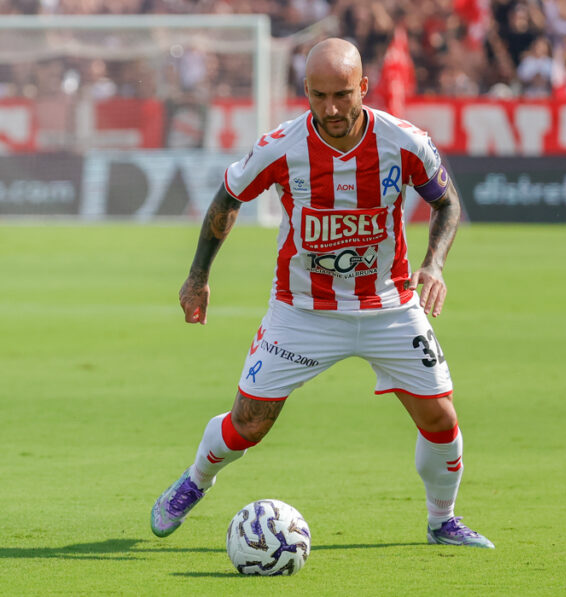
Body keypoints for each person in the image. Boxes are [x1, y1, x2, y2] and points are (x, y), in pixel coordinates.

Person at [150, 38, 493, 549]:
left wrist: (434, 264)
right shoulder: (280, 147)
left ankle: (442, 520)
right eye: (318, 95)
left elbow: (446, 203)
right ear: (305, 90)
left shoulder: (404, 141)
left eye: (342, 95)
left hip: (392, 307)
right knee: (249, 424)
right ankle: (195, 481)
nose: (331, 109)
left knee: (441, 418)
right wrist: (198, 275)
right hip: (303, 310)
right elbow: (228, 198)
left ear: (364, 88)